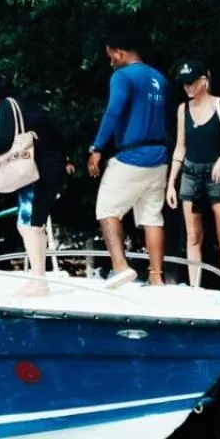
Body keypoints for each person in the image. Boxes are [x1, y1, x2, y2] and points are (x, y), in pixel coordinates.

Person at [87, 30, 172, 284]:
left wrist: (97, 147)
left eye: (111, 56)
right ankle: (157, 277)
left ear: (120, 52)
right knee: (152, 217)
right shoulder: (160, 78)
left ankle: (120, 266)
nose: (110, 62)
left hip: (131, 156)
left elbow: (113, 112)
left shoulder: (122, 76)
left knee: (106, 208)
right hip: (159, 158)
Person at [0, 77, 68, 297]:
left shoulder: (7, 105)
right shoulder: (32, 105)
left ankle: (39, 281)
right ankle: (39, 278)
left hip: (35, 172)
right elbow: (58, 135)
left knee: (28, 224)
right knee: (36, 224)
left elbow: (5, 141)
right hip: (53, 168)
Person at [168, 59, 220, 288]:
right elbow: (180, 146)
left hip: (216, 174)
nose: (187, 87)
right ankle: (195, 289)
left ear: (204, 80)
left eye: (191, 82)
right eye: (184, 83)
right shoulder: (183, 109)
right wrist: (172, 182)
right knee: (193, 235)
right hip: (190, 173)